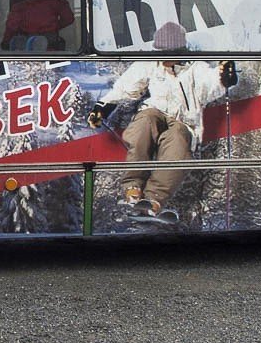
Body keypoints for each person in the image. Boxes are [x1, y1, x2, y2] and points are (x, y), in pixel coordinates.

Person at [87, 21, 237, 219]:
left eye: (167, 54)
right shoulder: (150, 64)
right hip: (154, 112)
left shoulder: (194, 69)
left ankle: (154, 199)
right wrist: (103, 107)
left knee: (178, 141)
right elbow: (126, 86)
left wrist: (223, 78)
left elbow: (210, 85)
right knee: (143, 125)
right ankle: (133, 187)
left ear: (179, 52)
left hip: (183, 119)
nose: (162, 59)